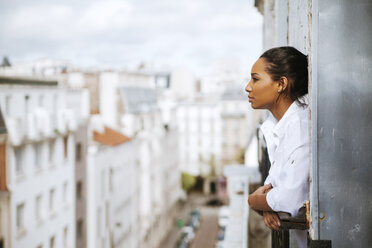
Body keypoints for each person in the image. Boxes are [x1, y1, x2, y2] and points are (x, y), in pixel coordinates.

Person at [246, 46, 310, 248]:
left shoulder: (300, 127)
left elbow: (289, 200)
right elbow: (273, 191)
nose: (248, 87)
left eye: (255, 79)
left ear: (280, 84)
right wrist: (268, 205)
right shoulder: (279, 127)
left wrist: (253, 201)